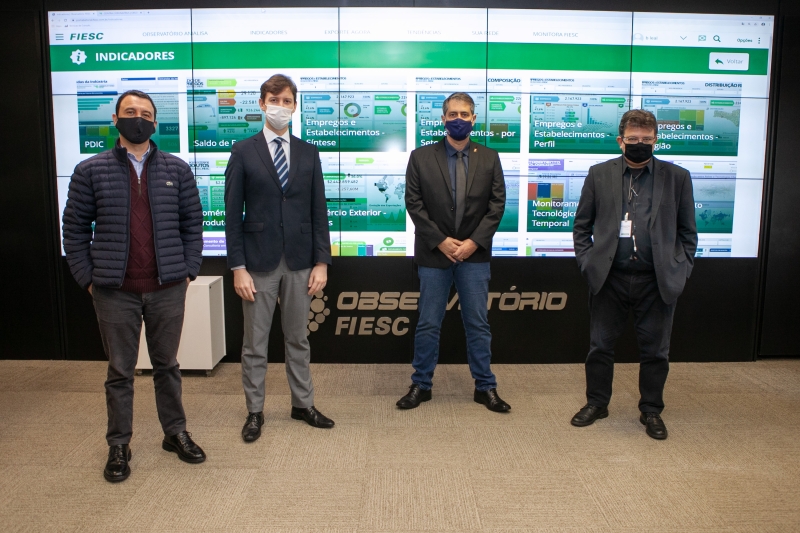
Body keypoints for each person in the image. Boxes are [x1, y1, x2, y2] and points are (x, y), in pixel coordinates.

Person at [62, 90, 206, 482]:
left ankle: (175, 433)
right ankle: (119, 444)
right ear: (115, 119)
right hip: (114, 291)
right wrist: (88, 279)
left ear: (155, 123)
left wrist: (188, 270)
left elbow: (193, 225)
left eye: (145, 113)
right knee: (120, 372)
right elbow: (74, 230)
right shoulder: (90, 170)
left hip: (167, 288)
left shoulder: (177, 169)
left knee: (167, 366)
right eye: (130, 111)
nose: (137, 118)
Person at [571, 109, 698, 440]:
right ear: (620, 140)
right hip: (609, 278)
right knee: (600, 347)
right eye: (632, 139)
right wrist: (587, 262)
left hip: (656, 280)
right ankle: (597, 403)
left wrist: (681, 268)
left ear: (655, 140)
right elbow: (581, 226)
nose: (639, 144)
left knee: (655, 352)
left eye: (646, 139)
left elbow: (688, 233)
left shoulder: (678, 177)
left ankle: (651, 410)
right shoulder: (599, 174)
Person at [225, 74, 333, 442]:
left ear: (295, 106)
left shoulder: (309, 152)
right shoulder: (243, 151)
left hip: (301, 261)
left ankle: (303, 404)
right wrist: (238, 267)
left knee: (298, 339)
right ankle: (255, 411)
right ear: (261, 104)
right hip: (258, 263)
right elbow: (232, 215)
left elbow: (319, 211)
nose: (280, 107)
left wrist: (322, 262)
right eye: (274, 100)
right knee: (255, 344)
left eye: (287, 101)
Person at [398, 92, 509, 412]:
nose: (458, 119)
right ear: (443, 119)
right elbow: (414, 203)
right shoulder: (421, 157)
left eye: (464, 114)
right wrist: (440, 241)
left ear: (474, 119)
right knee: (428, 323)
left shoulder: (490, 157)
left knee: (478, 324)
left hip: (474, 255)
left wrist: (473, 242)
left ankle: (485, 387)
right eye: (452, 114)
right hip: (435, 254)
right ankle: (421, 384)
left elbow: (497, 205)